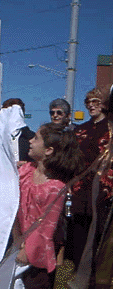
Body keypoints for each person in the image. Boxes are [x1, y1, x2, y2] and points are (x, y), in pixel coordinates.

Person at [13, 123, 84, 288]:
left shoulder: (55, 187)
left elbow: (46, 227)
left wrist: (27, 251)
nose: (30, 141)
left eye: (36, 138)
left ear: (49, 150)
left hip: (36, 256)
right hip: (17, 245)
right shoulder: (27, 171)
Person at [65, 87, 113, 286]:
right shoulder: (80, 130)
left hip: (103, 195)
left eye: (95, 101)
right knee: (75, 241)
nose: (91, 105)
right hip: (79, 194)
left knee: (99, 242)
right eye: (87, 102)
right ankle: (67, 281)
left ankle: (94, 283)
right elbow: (71, 160)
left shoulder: (111, 128)